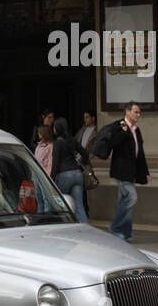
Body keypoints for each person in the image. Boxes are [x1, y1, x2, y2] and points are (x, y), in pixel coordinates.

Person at [92, 102, 149, 242]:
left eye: (139, 112)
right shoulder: (120, 126)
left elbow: (140, 153)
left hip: (132, 171)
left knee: (124, 201)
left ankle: (126, 233)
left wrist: (145, 172)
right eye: (136, 112)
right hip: (122, 170)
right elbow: (113, 144)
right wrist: (123, 132)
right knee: (131, 197)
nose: (138, 115)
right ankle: (115, 226)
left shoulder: (136, 130)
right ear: (127, 112)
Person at [51, 117, 88, 222]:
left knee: (59, 204)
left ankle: (62, 226)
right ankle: (84, 227)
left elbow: (56, 164)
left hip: (65, 174)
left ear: (57, 128)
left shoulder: (58, 143)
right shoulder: (72, 139)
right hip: (77, 174)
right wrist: (83, 163)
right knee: (79, 205)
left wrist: (51, 180)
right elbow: (85, 153)